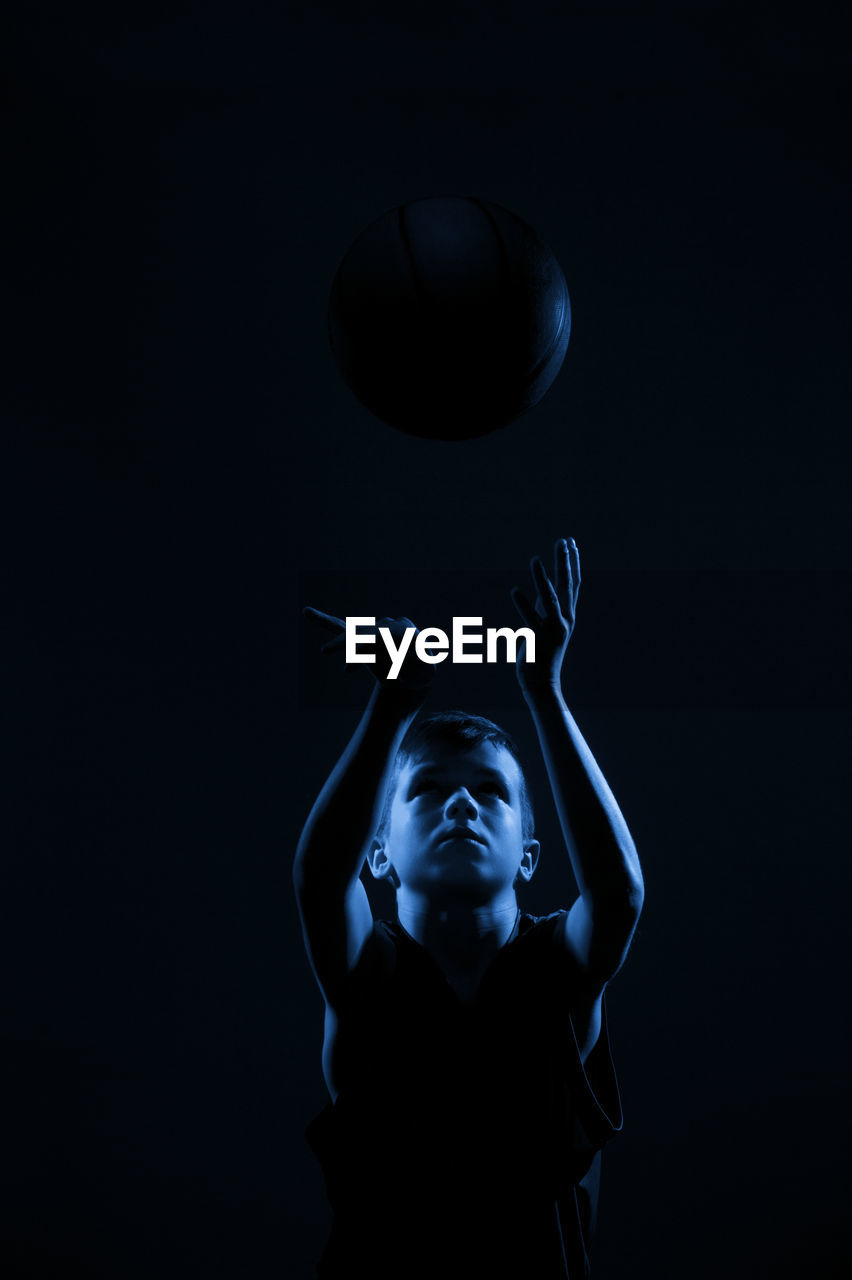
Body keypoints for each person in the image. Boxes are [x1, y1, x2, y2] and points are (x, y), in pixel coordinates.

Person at [293, 539, 644, 1279]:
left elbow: (618, 895)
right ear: (379, 854)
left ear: (529, 855)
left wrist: (545, 690)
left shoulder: (558, 971)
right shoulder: (370, 976)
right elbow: (322, 877)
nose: (460, 800)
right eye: (426, 790)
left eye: (490, 791)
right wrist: (392, 703)